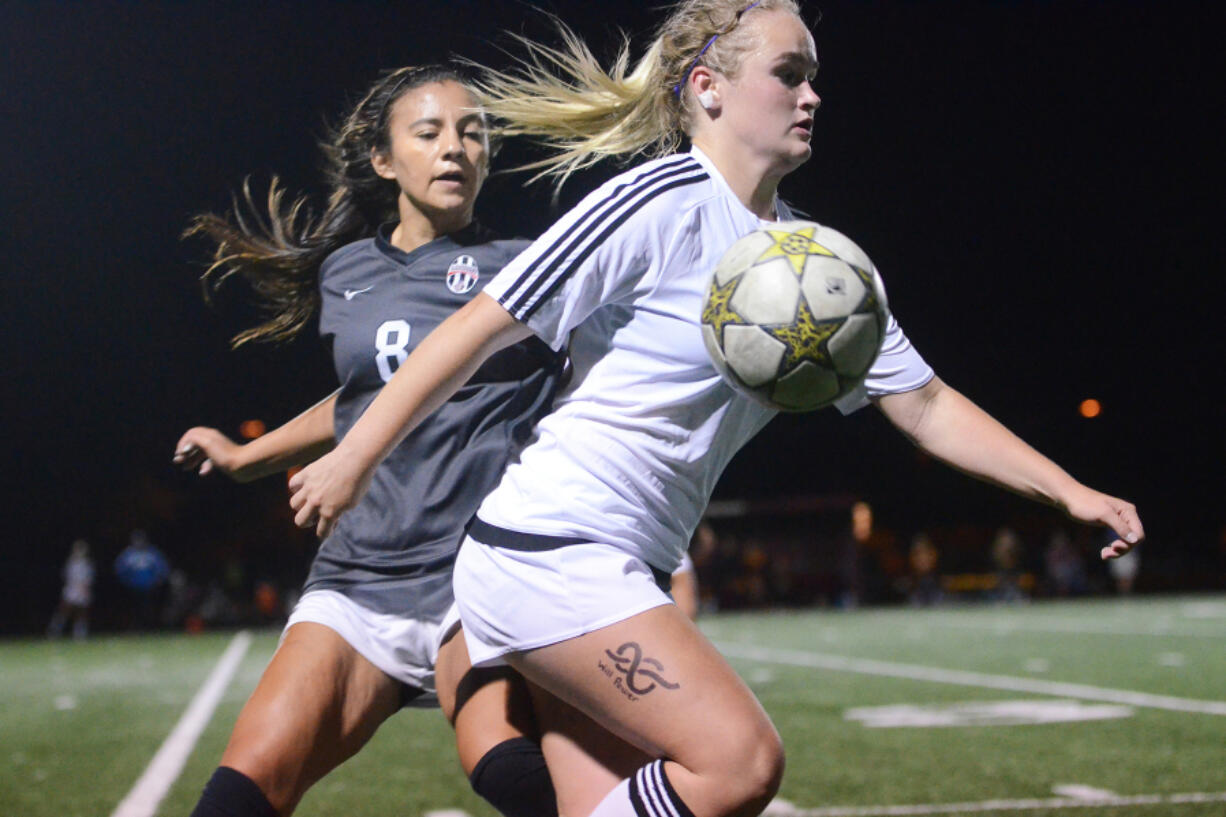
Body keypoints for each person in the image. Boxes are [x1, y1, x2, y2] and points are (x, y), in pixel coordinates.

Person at [287, 5, 1144, 817]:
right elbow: (474, 331)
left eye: (814, 78)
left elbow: (923, 405)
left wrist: (1071, 491)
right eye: (789, 73)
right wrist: (354, 454)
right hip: (548, 549)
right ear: (708, 89)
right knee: (741, 761)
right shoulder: (655, 203)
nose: (812, 96)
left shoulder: (822, 269)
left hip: (627, 563)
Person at [173, 65, 565, 817]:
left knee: (509, 766)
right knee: (242, 787)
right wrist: (246, 457)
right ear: (385, 161)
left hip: (476, 575)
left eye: (472, 131)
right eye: (429, 132)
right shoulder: (347, 271)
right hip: (359, 574)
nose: (455, 147)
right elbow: (364, 399)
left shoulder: (528, 265)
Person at [114, 529, 170, 629]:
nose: (139, 542)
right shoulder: (128, 554)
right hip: (133, 588)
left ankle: (150, 627)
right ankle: (135, 627)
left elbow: (162, 568)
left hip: (149, 588)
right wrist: (126, 582)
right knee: (134, 609)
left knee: (149, 609)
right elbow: (119, 570)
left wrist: (157, 581)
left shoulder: (152, 553)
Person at [47, 538, 94, 639]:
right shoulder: (71, 563)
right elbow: (66, 576)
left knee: (82, 612)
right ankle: (55, 630)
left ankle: (80, 633)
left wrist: (85, 589)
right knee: (64, 610)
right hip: (72, 589)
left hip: (83, 590)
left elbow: (89, 578)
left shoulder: (87, 564)